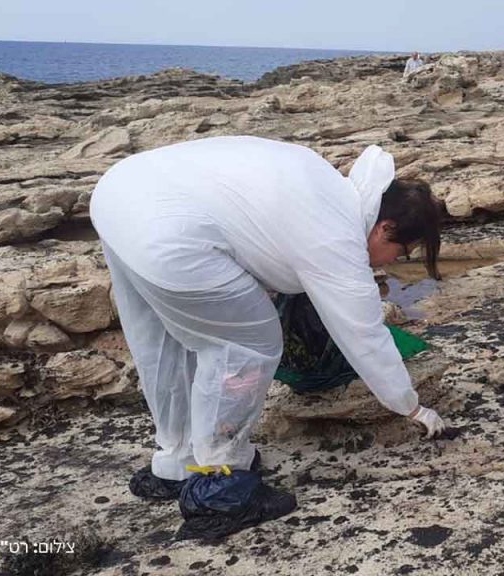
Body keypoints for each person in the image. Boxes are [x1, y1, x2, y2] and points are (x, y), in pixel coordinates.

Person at [89, 135, 447, 537]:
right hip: (170, 235)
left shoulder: (325, 183)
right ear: (385, 228)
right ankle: (219, 486)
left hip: (119, 195)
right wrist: (411, 406)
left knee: (163, 341)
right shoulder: (338, 235)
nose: (395, 262)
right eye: (401, 252)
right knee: (246, 344)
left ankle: (176, 462)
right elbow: (364, 335)